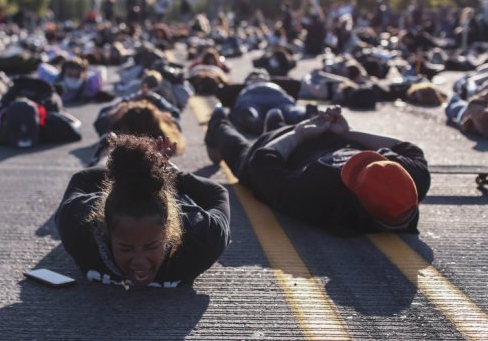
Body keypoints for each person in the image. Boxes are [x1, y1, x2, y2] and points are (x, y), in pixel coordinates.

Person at [205, 105, 430, 236]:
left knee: (243, 163)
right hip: (325, 134)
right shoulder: (412, 178)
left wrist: (299, 135)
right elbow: (406, 147)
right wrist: (347, 133)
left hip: (282, 145)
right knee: (281, 122)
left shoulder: (318, 196)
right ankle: (277, 121)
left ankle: (218, 124)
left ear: (357, 199)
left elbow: (262, 160)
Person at [56, 134, 230, 288]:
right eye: (125, 248)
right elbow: (81, 179)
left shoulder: (202, 240)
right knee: (104, 163)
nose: (139, 262)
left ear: (169, 231)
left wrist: (169, 173)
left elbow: (218, 193)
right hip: (112, 193)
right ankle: (106, 150)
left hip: (175, 194)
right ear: (105, 230)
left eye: (151, 246)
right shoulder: (78, 229)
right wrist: (123, 172)